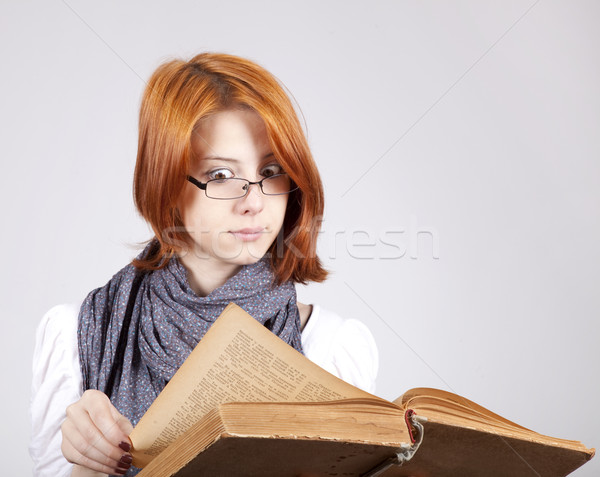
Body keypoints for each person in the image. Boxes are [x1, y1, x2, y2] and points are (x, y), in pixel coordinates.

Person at [30, 52, 378, 477]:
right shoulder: (78, 336)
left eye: (271, 170)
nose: (254, 201)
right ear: (166, 184)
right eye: (219, 176)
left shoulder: (332, 350)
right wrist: (88, 463)